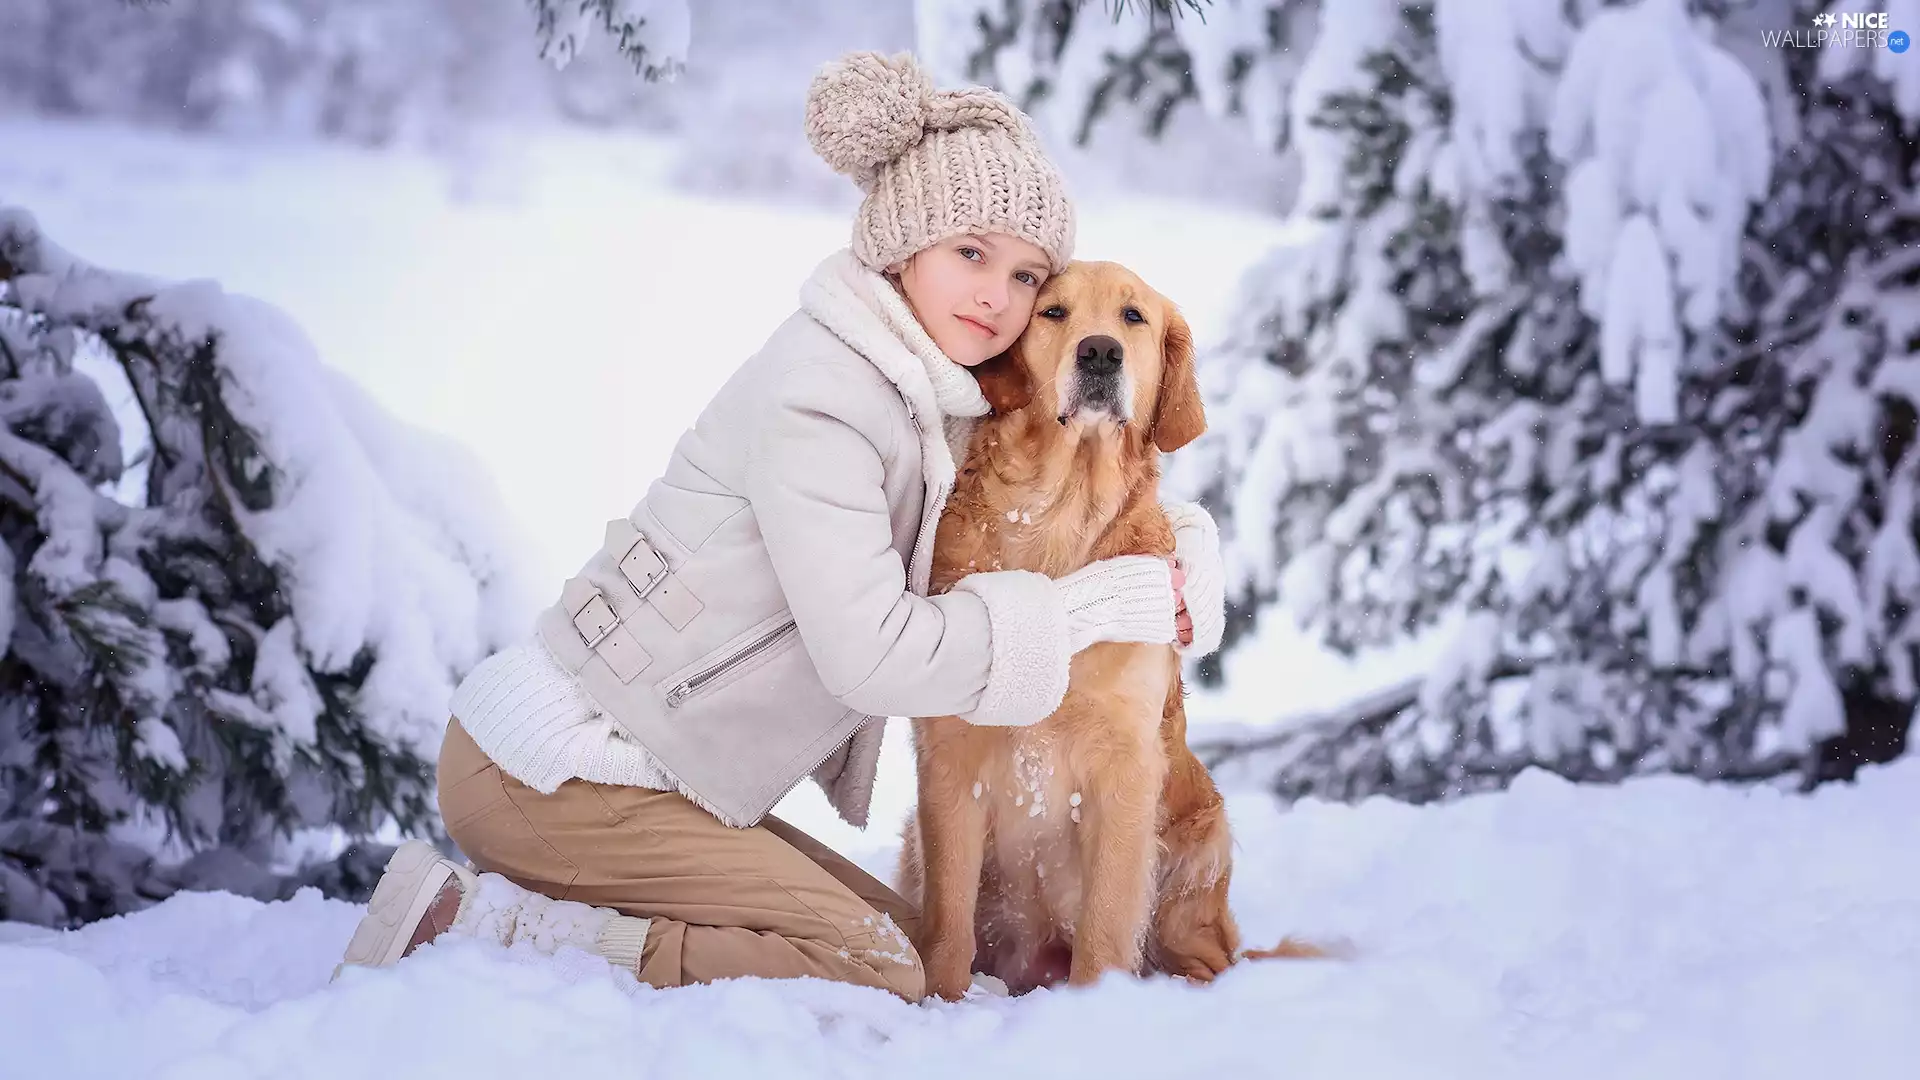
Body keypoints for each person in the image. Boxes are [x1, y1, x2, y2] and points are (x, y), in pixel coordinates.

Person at [333, 50, 1228, 1003]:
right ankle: (489, 927)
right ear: (900, 246)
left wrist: (1185, 559)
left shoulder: (933, 388)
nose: (996, 298)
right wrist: (1087, 615)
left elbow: (1070, 497)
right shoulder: (824, 399)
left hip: (667, 773)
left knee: (903, 938)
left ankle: (584, 906)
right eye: (970, 253)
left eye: (1023, 274)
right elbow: (873, 656)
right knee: (878, 968)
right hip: (558, 765)